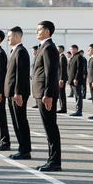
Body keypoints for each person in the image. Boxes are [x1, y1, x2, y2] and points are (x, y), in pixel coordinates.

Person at [32, 21, 61, 172]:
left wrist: (48, 93)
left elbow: (51, 73)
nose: (36, 32)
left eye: (39, 30)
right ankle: (51, 159)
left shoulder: (49, 48)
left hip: (46, 93)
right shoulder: (43, 47)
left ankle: (55, 161)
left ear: (47, 32)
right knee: (48, 127)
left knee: (50, 127)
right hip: (41, 92)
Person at [5, 27, 31, 160]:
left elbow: (21, 75)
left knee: (20, 121)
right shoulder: (14, 51)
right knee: (16, 122)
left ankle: (25, 150)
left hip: (18, 94)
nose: (7, 39)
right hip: (12, 93)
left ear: (17, 37)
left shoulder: (21, 52)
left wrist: (18, 92)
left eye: (9, 36)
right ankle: (21, 148)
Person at [67, 45, 86, 117]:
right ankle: (77, 109)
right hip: (72, 79)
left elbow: (79, 69)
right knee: (76, 95)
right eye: (70, 49)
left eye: (72, 49)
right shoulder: (73, 57)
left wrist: (76, 78)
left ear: (76, 49)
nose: (71, 50)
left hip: (76, 79)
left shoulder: (79, 57)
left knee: (78, 95)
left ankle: (79, 110)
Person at [57, 45, 68, 113]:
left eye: (58, 49)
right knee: (60, 93)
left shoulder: (62, 57)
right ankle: (62, 107)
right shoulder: (60, 57)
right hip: (60, 78)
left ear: (61, 50)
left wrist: (61, 79)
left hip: (62, 79)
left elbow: (62, 69)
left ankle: (63, 108)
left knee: (62, 93)